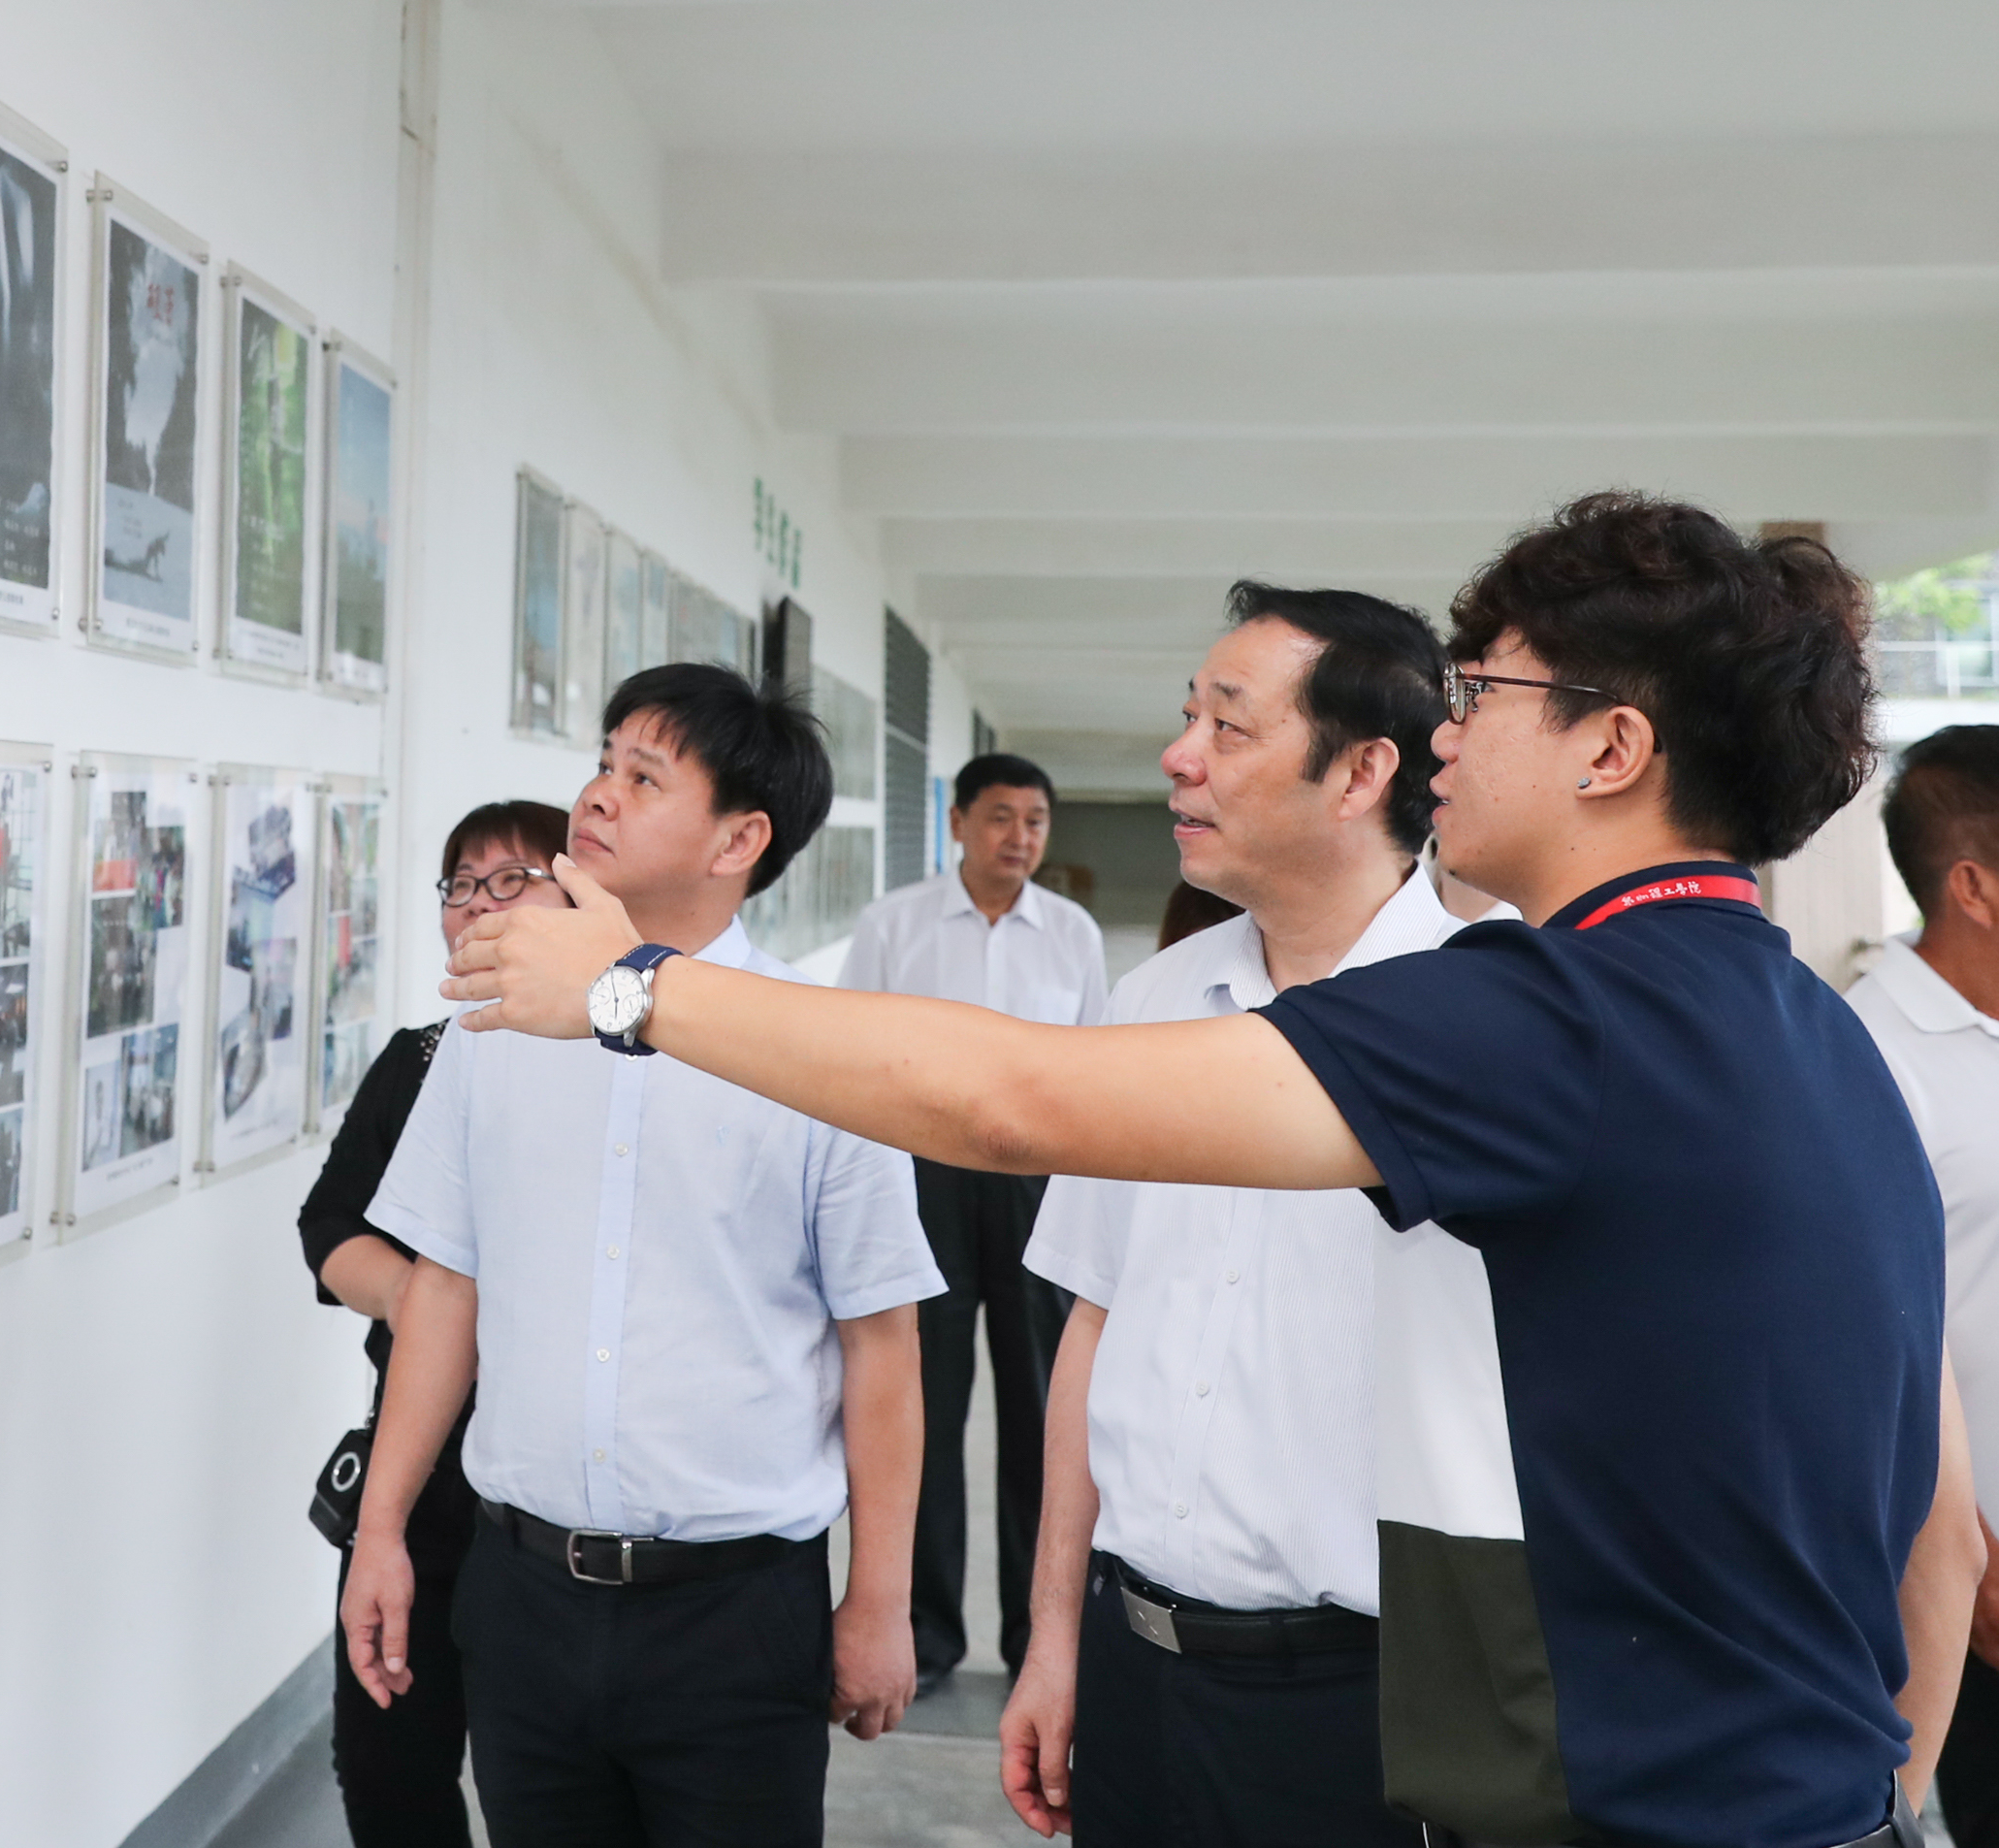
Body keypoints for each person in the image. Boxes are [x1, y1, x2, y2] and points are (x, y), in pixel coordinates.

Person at [444, 494, 1983, 1848]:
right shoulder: (1823, 1035)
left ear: (1611, 746)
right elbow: (1934, 1512)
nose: (1448, 735)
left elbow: (1010, 1102)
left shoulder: (1554, 1014)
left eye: (1483, 695)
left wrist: (631, 988)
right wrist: (1886, 1800)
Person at [343, 664, 945, 1848]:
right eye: (602, 762)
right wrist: (382, 1532)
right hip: (521, 1599)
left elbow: (879, 1345)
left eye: (643, 776)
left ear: (738, 839)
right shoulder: (490, 1025)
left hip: (734, 1614)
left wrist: (877, 1602)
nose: (597, 794)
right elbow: (446, 1290)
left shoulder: (820, 1054)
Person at [1004, 582, 1467, 1846]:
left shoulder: (1481, 1017)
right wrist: (1053, 1639)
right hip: (1135, 1665)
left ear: (1361, 770)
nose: (1179, 755)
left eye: (1228, 724)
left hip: (1369, 1700)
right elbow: (1093, 1327)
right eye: (1186, 717)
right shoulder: (1151, 1004)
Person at [300, 798, 573, 1848]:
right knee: (386, 1763)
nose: (478, 904)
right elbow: (329, 1224)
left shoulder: (634, 1062)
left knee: (544, 1784)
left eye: (511, 880)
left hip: (547, 1496)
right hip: (417, 1475)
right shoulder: (420, 1060)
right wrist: (418, 1298)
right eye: (461, 883)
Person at [837, 751, 1106, 1689]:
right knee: (927, 1403)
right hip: (923, 1181)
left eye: (1035, 820)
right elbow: (852, 1050)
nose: (1019, 837)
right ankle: (925, 1631)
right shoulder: (894, 924)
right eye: (1000, 817)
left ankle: (1040, 1635)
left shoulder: (1071, 933)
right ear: (956, 823)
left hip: (1036, 1185)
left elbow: (1092, 1071)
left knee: (1040, 1413)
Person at [1854, 726, 1999, 1848]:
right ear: (1973, 887)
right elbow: (1861, 1348)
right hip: (1977, 1585)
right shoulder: (1863, 1052)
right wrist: (1968, 1559)